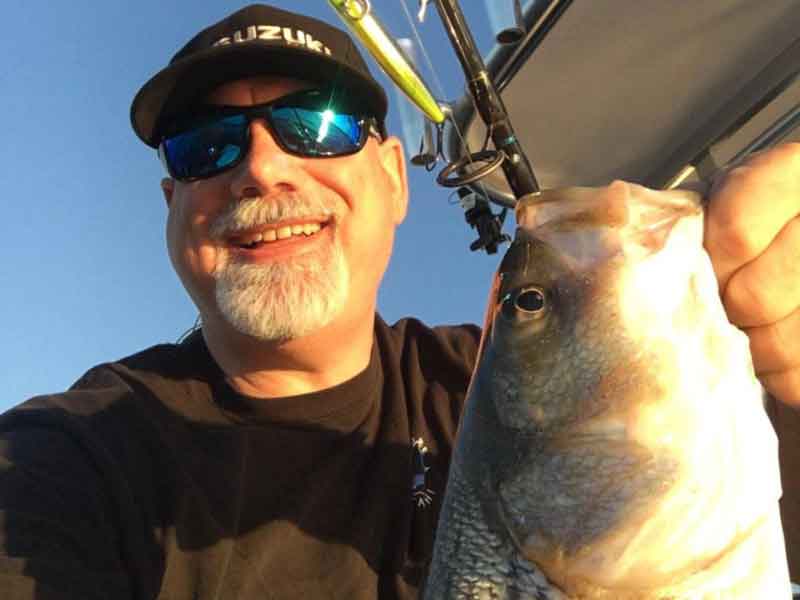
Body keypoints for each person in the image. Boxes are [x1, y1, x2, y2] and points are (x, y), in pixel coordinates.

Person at [0, 4, 797, 599]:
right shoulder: (64, 461)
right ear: (174, 204)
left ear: (391, 177)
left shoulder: (474, 381)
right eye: (206, 145)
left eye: (313, 125)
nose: (263, 169)